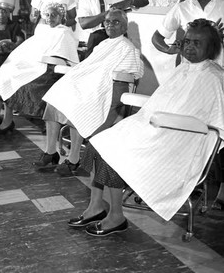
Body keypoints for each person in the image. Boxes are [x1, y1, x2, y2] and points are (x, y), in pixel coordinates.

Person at [71, 19, 224, 237]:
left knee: (113, 151)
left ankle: (116, 217)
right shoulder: (185, 69)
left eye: (197, 43)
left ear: (211, 48)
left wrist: (152, 126)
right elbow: (165, 103)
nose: (189, 46)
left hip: (174, 142)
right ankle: (96, 206)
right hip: (159, 130)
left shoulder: (209, 77)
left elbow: (204, 123)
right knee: (99, 142)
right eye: (186, 41)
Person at [151, 0, 224, 210]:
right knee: (188, 127)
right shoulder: (182, 8)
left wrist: (221, 40)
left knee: (219, 128)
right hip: (192, 78)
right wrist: (171, 50)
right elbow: (158, 37)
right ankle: (190, 180)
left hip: (220, 76)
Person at [37, 9, 144, 176]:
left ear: (124, 27)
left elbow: (134, 73)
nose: (110, 25)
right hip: (90, 86)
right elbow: (89, 67)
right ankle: (50, 151)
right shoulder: (103, 44)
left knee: (79, 106)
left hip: (108, 91)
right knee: (55, 99)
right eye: (107, 21)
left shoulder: (128, 48)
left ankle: (73, 160)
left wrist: (97, 81)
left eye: (116, 22)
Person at [0, 3, 79, 135]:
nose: (50, 17)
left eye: (54, 15)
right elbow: (29, 49)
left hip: (48, 68)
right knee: (4, 74)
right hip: (34, 63)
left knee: (14, 80)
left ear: (61, 17)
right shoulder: (44, 31)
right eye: (47, 15)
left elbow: (62, 56)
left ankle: (7, 121)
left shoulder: (64, 32)